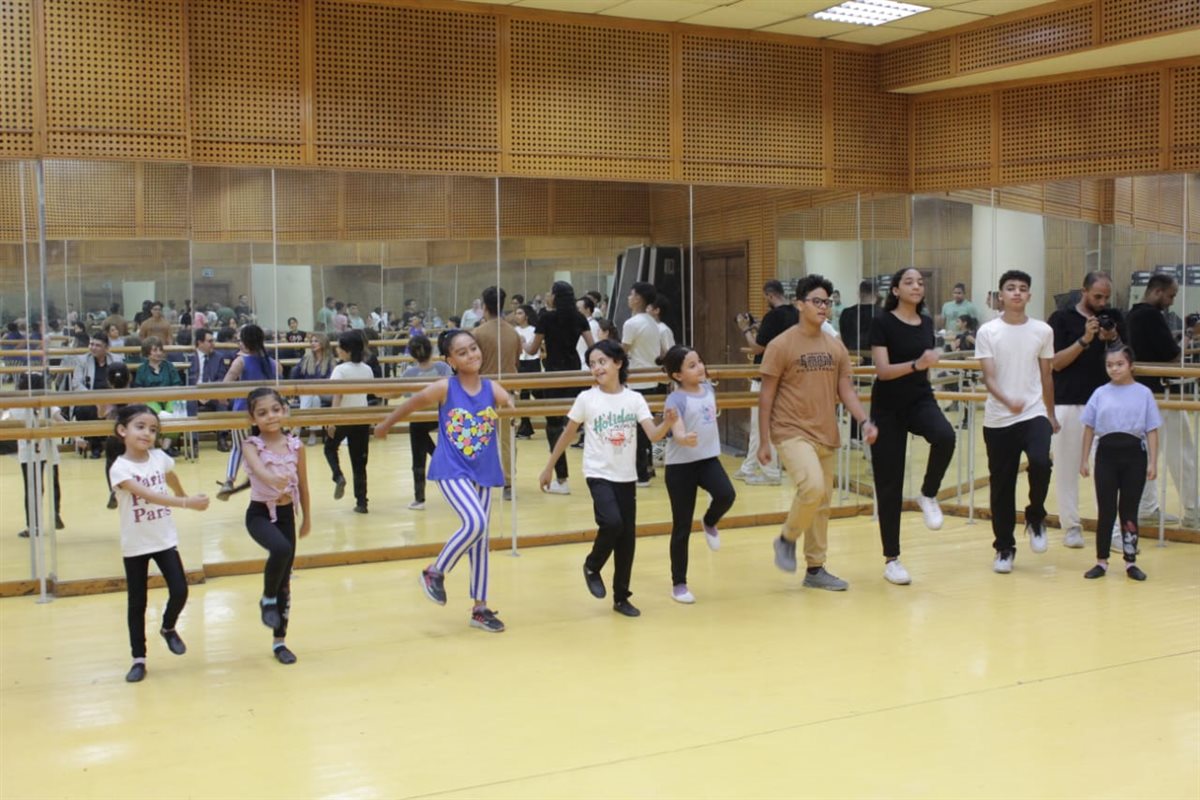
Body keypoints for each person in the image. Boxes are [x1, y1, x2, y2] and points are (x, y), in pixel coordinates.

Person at [374, 329, 512, 633]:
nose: (471, 355)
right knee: (475, 522)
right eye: (462, 352)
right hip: (451, 468)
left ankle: (480, 608)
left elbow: (509, 403)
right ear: (450, 361)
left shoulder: (491, 387)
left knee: (480, 539)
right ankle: (434, 571)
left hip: (484, 470)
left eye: (473, 348)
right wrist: (385, 424)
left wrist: (512, 406)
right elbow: (411, 404)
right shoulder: (444, 387)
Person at [539, 340, 677, 617]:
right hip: (598, 473)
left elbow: (653, 435)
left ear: (618, 363)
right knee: (612, 522)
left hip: (626, 476)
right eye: (592, 364)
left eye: (602, 362)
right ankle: (592, 565)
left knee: (627, 538)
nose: (597, 368)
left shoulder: (634, 399)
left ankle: (621, 597)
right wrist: (549, 466)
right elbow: (568, 433)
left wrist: (668, 423)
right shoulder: (586, 399)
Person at [761, 275, 876, 591]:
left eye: (827, 302)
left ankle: (815, 568)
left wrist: (864, 420)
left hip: (826, 431)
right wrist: (763, 440)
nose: (823, 307)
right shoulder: (781, 345)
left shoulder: (834, 346)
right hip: (790, 430)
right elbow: (766, 395)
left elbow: (846, 389)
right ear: (799, 304)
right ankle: (786, 539)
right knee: (811, 487)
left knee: (822, 503)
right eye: (816, 301)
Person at [107, 404, 209, 682]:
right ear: (122, 430)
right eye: (140, 427)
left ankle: (168, 627)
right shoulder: (120, 468)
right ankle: (138, 658)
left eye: (153, 429)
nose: (147, 433)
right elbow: (148, 495)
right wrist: (186, 503)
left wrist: (183, 493)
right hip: (136, 544)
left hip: (163, 539)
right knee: (137, 602)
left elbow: (170, 475)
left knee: (180, 590)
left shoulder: (159, 457)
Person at [867, 268, 956, 585]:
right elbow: (883, 370)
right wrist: (918, 364)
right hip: (887, 406)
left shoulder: (927, 323)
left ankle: (928, 494)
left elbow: (926, 368)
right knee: (889, 484)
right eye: (909, 282)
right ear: (895, 290)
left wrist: (925, 369)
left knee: (945, 436)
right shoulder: (882, 322)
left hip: (920, 398)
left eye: (920, 282)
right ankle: (892, 559)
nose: (917, 286)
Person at [976, 270, 1058, 574]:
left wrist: (1050, 414)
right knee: (1002, 484)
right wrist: (1007, 400)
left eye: (1023, 288)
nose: (1017, 293)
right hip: (999, 419)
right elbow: (988, 377)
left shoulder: (1042, 330)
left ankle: (1036, 516)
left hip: (1033, 412)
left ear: (1029, 296)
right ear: (1001, 295)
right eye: (1010, 288)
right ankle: (1004, 548)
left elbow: (1047, 375)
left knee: (1041, 462)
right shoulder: (988, 331)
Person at [1049, 272, 1124, 549]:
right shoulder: (1061, 319)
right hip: (1068, 402)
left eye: (1106, 297)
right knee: (1066, 468)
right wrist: (1085, 339)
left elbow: (1126, 360)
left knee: (1108, 470)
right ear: (1084, 291)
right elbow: (1056, 363)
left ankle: (1112, 530)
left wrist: (1112, 338)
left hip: (1105, 404)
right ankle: (1071, 526)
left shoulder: (1114, 318)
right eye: (1097, 297)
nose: (1102, 303)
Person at [240, 387, 311, 663]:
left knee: (285, 581)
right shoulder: (251, 445)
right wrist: (272, 479)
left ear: (284, 410)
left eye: (275, 410)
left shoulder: (296, 446)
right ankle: (267, 598)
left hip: (286, 515)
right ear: (253, 418)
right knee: (280, 550)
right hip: (259, 515)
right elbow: (259, 470)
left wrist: (306, 518)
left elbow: (303, 485)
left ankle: (279, 642)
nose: (270, 416)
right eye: (262, 412)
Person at [660, 345, 735, 604]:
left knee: (726, 494)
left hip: (707, 460)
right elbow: (677, 427)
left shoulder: (709, 390)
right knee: (681, 526)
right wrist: (682, 437)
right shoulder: (675, 399)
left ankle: (710, 521)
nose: (700, 367)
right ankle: (679, 583)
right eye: (692, 365)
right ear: (677, 375)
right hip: (680, 467)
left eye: (700, 361)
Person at [1079, 346, 1158, 581]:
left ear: (1130, 365)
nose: (1114, 369)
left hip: (1134, 456)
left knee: (1129, 510)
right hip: (1106, 455)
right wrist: (1084, 459)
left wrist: (1153, 462)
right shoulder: (1100, 393)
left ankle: (1130, 561)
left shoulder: (1144, 393)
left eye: (1120, 364)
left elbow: (1152, 429)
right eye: (1109, 365)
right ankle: (1101, 560)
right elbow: (1089, 428)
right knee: (1106, 510)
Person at [1127, 273, 1198, 527]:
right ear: (1157, 291)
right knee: (1182, 453)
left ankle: (1146, 508)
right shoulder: (1151, 316)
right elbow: (1173, 357)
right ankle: (1193, 511)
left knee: (1146, 455)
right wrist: (1189, 335)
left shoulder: (1132, 315)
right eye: (1171, 295)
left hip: (1140, 394)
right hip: (1161, 394)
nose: (1172, 301)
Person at [524, 281, 593, 494]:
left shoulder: (546, 318)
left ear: (555, 296)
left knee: (554, 426)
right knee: (576, 421)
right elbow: (594, 346)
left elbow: (532, 349)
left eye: (550, 292)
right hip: (574, 373)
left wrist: (521, 343)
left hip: (554, 374)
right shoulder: (579, 318)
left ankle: (562, 479)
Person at [735, 280, 796, 486]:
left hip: (767, 376)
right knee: (758, 425)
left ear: (770, 295)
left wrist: (745, 329)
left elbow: (757, 348)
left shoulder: (773, 317)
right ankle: (749, 466)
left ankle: (770, 472)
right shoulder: (796, 314)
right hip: (786, 375)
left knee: (763, 425)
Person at [218, 325, 282, 500]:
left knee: (238, 447)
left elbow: (225, 385)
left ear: (245, 343)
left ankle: (229, 480)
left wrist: (223, 399)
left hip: (244, 411)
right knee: (266, 448)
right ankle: (263, 480)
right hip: (267, 413)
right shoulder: (273, 363)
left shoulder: (240, 361)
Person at [473, 286, 522, 500]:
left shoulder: (477, 333)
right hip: (507, 392)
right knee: (507, 439)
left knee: (478, 437)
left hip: (483, 392)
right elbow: (516, 362)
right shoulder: (513, 333)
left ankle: (478, 478)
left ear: (485, 307)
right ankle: (508, 482)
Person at [4, 373, 65, 537]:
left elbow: (6, 421)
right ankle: (55, 513)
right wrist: (77, 436)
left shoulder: (18, 405)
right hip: (45, 447)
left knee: (33, 488)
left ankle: (33, 525)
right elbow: (60, 420)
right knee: (52, 483)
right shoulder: (45, 402)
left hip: (30, 450)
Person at [400, 334, 452, 510]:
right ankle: (440, 457)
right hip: (440, 415)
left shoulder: (410, 373)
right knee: (424, 438)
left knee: (418, 458)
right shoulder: (442, 368)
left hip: (420, 417)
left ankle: (419, 498)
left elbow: (401, 393)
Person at [325, 331, 374, 513]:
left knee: (329, 448)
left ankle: (338, 476)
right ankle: (362, 503)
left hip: (344, 418)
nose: (337, 350)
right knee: (359, 462)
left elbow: (337, 395)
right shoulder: (367, 369)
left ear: (348, 350)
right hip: (362, 418)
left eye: (340, 347)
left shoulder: (340, 370)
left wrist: (332, 421)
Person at [620, 281, 662, 486]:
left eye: (631, 294)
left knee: (637, 431)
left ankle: (641, 474)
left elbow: (622, 352)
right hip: (652, 380)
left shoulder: (632, 324)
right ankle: (648, 468)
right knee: (646, 428)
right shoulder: (653, 322)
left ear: (638, 299)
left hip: (637, 382)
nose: (629, 298)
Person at [186, 329, 231, 453]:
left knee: (222, 402)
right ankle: (194, 441)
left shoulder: (218, 357)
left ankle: (222, 438)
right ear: (200, 342)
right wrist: (197, 394)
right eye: (210, 341)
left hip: (213, 393)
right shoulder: (189, 357)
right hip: (193, 393)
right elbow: (185, 380)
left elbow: (222, 378)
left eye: (213, 341)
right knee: (190, 403)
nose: (213, 344)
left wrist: (210, 393)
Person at [70, 332, 114, 458]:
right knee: (88, 409)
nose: (93, 347)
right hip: (89, 398)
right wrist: (93, 397)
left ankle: (112, 445)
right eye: (91, 344)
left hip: (111, 398)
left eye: (97, 345)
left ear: (106, 348)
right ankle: (96, 445)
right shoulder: (82, 360)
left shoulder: (115, 360)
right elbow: (76, 384)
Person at [291, 332, 335, 446]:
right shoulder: (306, 358)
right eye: (311, 341)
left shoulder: (330, 360)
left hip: (325, 392)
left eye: (316, 341)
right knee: (314, 398)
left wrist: (313, 385)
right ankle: (312, 433)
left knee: (311, 393)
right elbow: (296, 375)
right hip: (308, 392)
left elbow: (330, 380)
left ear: (323, 343)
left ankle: (298, 427)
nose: (312, 344)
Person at [512, 304, 540, 439]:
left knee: (536, 392)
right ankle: (525, 426)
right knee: (523, 395)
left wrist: (522, 343)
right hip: (519, 362)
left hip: (532, 363)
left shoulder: (534, 330)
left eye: (520, 313)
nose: (517, 316)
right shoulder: (514, 330)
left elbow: (532, 348)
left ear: (526, 316)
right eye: (516, 313)